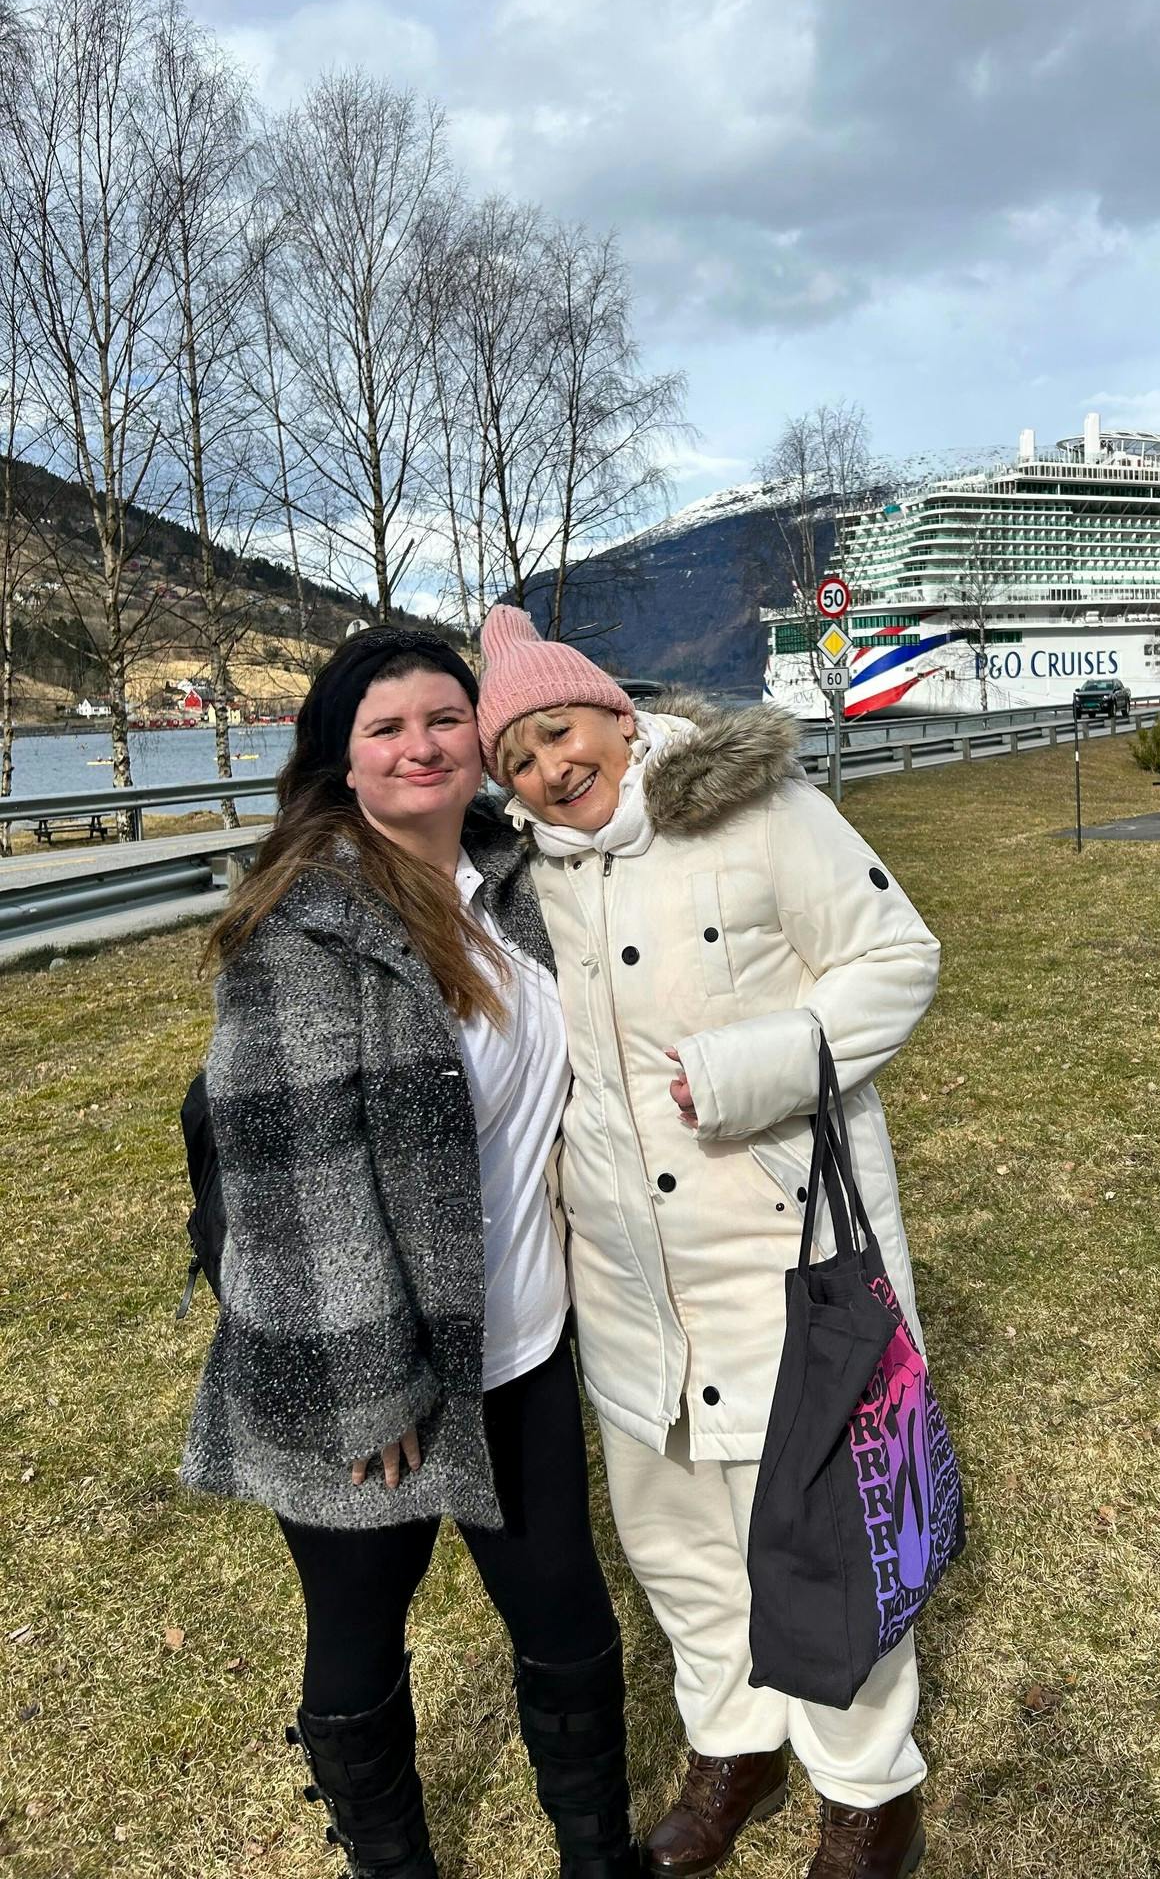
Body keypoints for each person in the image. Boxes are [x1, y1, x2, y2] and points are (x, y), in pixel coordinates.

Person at [477, 605, 942, 1879]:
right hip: (627, 1276)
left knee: (822, 1527)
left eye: (559, 729)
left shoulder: (761, 812)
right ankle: (733, 1747)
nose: (547, 768)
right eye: (512, 757)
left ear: (620, 715)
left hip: (783, 1244)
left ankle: (866, 1787)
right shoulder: (522, 884)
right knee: (678, 1537)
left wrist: (758, 1066)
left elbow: (897, 954)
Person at [181, 626, 643, 1879]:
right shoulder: (304, 924)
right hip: (361, 1361)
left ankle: (598, 1857)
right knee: (356, 1631)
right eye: (386, 727)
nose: (421, 745)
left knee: (565, 1614)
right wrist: (377, 1377)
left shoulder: (512, 872)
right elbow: (290, 1174)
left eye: (445, 718)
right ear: (341, 755)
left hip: (521, 1335)